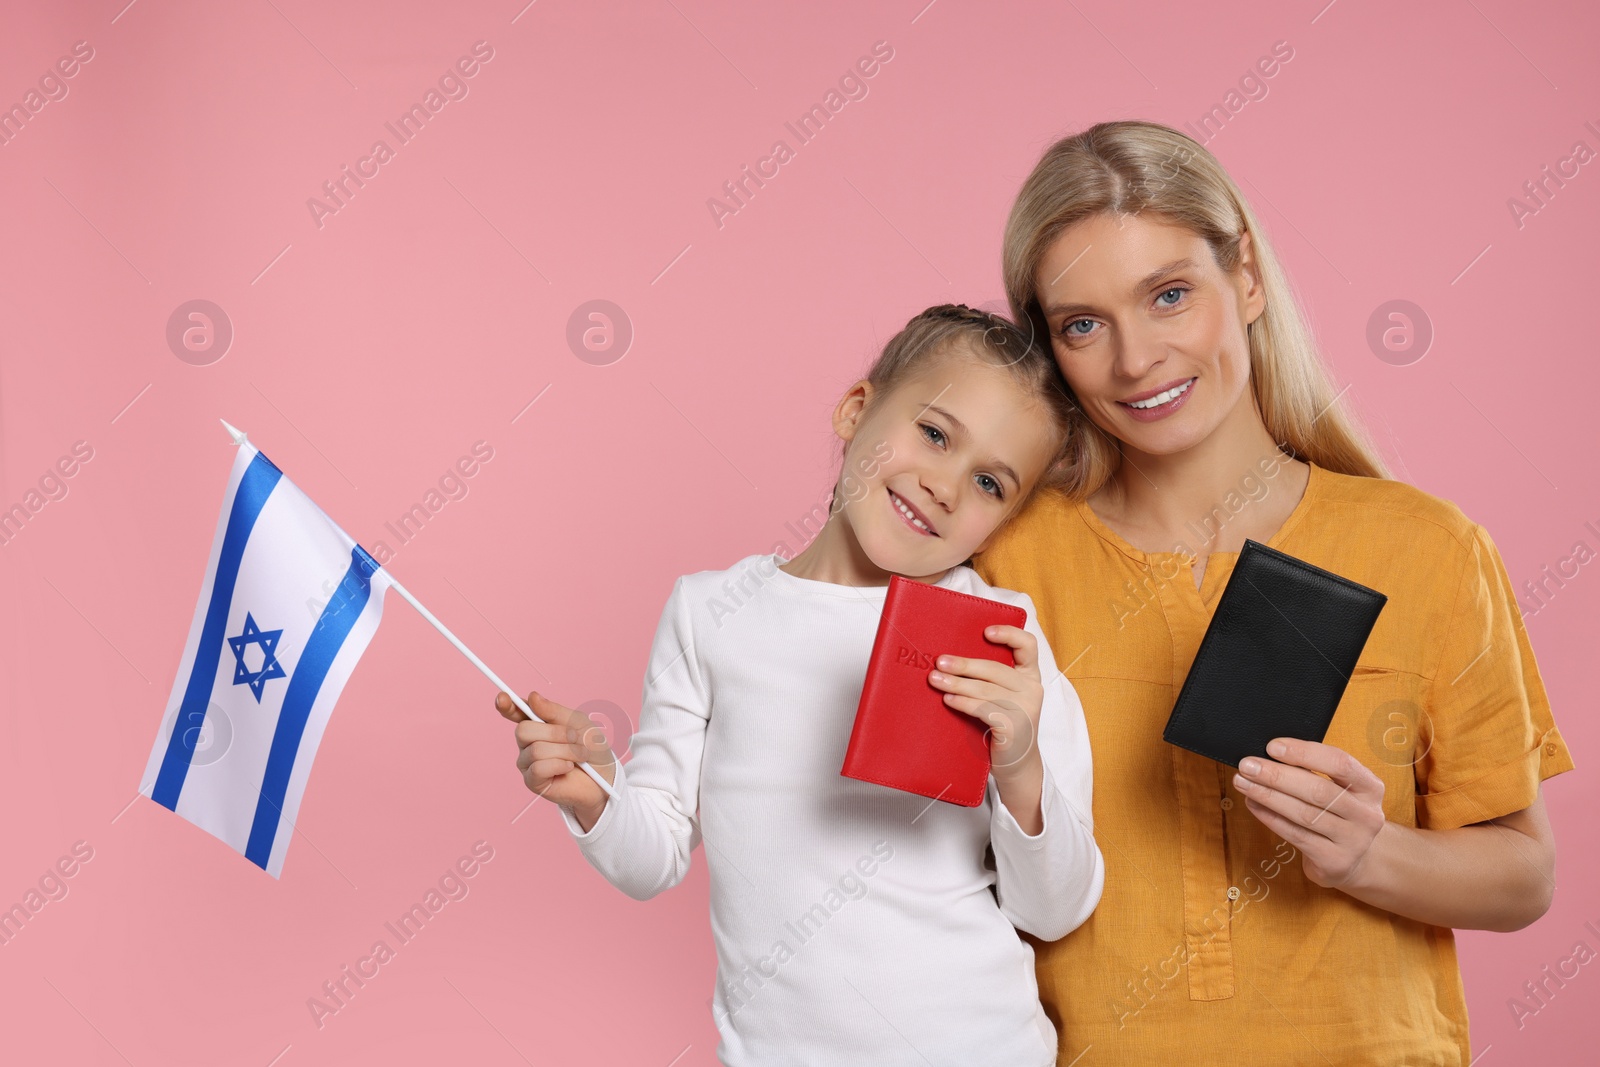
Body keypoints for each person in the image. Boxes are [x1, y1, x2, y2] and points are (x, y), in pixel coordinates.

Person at [973, 119, 1575, 1065]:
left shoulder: (1427, 546)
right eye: (1083, 324)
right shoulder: (1006, 560)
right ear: (1049, 347)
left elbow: (1525, 875)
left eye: (1170, 295)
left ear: (1245, 276)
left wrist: (1372, 854)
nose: (1135, 361)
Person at [496, 305, 1105, 1066]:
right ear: (857, 410)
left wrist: (1019, 768)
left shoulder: (997, 632)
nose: (947, 485)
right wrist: (595, 792)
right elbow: (650, 855)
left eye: (989, 481)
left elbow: (1054, 908)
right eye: (934, 433)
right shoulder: (709, 614)